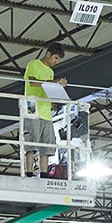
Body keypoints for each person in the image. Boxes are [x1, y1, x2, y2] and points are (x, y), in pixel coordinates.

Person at [23, 43, 67, 177]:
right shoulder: (34, 64)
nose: (56, 62)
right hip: (32, 105)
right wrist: (55, 82)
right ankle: (29, 172)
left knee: (47, 145)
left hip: (46, 110)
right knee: (31, 142)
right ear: (48, 54)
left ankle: (44, 173)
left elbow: (48, 89)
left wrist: (55, 101)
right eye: (55, 58)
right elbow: (32, 82)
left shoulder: (51, 72)